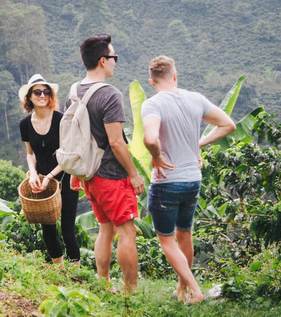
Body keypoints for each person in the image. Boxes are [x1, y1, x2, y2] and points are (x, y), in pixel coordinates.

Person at [142, 55, 236, 304]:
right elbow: (228, 125)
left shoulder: (153, 104)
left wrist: (157, 157)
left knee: (167, 241)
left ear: (152, 81)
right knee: (185, 235)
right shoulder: (196, 99)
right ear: (175, 75)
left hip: (167, 183)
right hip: (193, 180)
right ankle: (181, 290)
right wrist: (198, 143)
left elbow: (150, 139)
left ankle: (195, 291)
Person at [67, 34, 145, 293]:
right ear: (102, 60)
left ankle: (103, 282)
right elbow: (116, 142)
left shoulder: (74, 91)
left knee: (105, 228)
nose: (115, 62)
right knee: (127, 232)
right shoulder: (110, 95)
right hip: (111, 175)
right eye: (114, 57)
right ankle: (130, 291)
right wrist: (133, 174)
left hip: (89, 176)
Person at [19, 74, 81, 267]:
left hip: (65, 176)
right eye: (37, 92)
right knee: (48, 229)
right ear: (29, 97)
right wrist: (34, 173)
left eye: (46, 91)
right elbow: (30, 154)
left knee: (68, 229)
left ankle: (76, 273)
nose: (42, 95)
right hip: (42, 178)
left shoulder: (62, 120)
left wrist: (51, 177)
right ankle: (60, 270)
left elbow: (69, 153)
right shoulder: (25, 124)